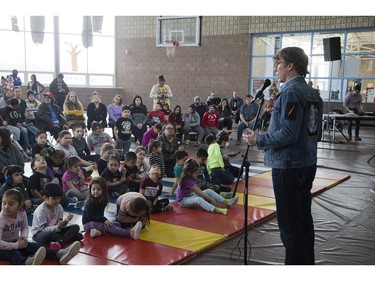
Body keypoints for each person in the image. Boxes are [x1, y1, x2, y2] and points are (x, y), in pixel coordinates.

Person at [244, 46, 323, 265]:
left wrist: (258, 140)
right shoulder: (312, 93)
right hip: (307, 162)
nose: (276, 69)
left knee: (290, 227)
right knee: (304, 221)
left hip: (289, 166)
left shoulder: (290, 92)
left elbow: (288, 133)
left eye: (278, 63)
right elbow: (316, 133)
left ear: (290, 66)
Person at [0, 188, 81, 265]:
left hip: (15, 241)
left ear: (20, 205)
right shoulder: (1, 219)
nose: (6, 206)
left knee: (36, 247)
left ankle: (59, 254)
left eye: (11, 204)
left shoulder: (21, 212)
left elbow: (25, 227)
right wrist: (16, 245)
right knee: (14, 254)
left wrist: (24, 237)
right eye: (4, 203)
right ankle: (26, 263)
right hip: (2, 246)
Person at [31, 182, 83, 249]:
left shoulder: (59, 207)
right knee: (50, 235)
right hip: (40, 234)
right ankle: (66, 238)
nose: (57, 201)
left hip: (55, 229)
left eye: (59, 198)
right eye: (54, 198)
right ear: (46, 198)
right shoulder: (41, 211)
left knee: (76, 227)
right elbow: (44, 230)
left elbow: (59, 224)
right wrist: (58, 226)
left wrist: (65, 221)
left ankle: (60, 242)